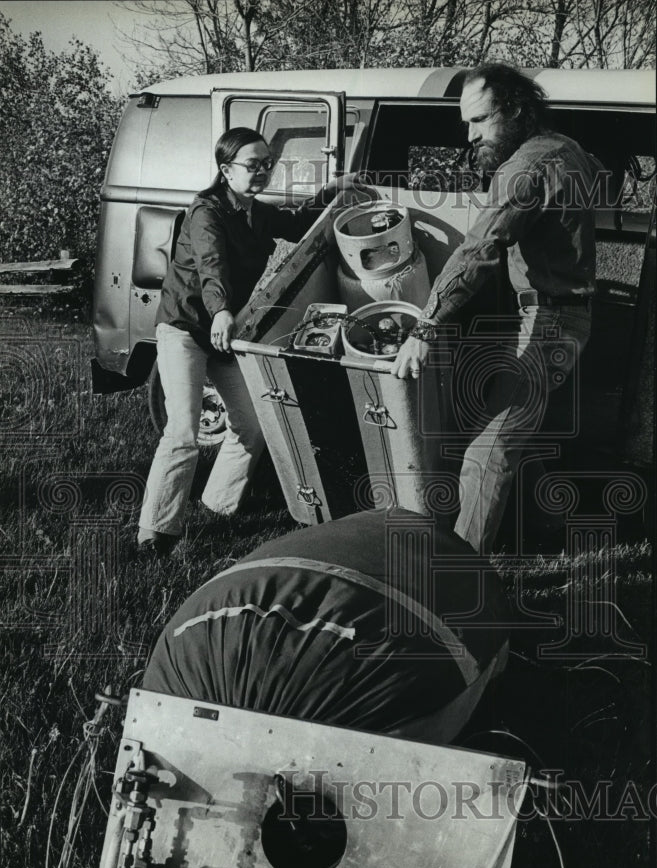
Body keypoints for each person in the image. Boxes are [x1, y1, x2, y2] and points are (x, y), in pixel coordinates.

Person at [392, 63, 602, 554]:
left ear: (516, 110)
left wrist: (425, 326)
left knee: (487, 451)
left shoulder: (526, 168)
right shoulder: (566, 149)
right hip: (561, 314)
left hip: (547, 321)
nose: (470, 134)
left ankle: (460, 576)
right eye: (467, 122)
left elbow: (479, 248)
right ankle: (551, 523)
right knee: (511, 423)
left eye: (480, 120)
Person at [138, 127, 358, 554]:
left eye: (267, 165)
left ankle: (217, 506)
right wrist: (221, 309)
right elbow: (212, 264)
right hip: (186, 328)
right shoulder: (206, 211)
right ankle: (155, 532)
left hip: (224, 333)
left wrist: (333, 189)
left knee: (252, 424)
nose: (262, 172)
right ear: (226, 170)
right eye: (253, 165)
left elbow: (299, 224)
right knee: (182, 431)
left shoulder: (258, 212)